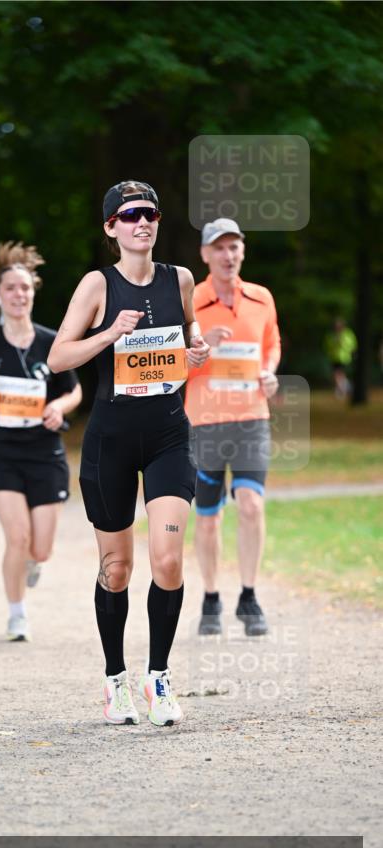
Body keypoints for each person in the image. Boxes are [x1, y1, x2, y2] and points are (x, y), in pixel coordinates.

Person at [48, 180, 210, 727]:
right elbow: (57, 355)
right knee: (116, 568)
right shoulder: (97, 284)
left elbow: (189, 333)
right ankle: (116, 679)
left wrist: (197, 348)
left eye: (151, 214)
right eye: (130, 214)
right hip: (110, 441)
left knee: (167, 561)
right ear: (111, 227)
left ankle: (159, 676)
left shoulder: (180, 279)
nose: (143, 222)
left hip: (168, 435)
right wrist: (109, 333)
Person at [0, 242, 82, 641]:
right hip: (4, 455)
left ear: (33, 293)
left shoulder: (52, 343)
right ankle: (16, 614)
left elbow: (75, 392)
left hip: (46, 454)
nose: (18, 294)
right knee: (17, 537)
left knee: (41, 549)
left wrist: (59, 406)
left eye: (24, 288)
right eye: (10, 288)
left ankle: (34, 562)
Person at [185, 218, 281, 637]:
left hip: (250, 418)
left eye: (234, 247)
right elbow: (170, 359)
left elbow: (271, 343)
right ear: (205, 254)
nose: (228, 255)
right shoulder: (189, 300)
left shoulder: (261, 298)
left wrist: (270, 372)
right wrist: (203, 342)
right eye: (219, 248)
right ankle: (210, 597)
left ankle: (248, 595)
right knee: (207, 518)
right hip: (203, 421)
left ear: (242, 251)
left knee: (251, 505)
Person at [324, 316, 357, 399]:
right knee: (339, 375)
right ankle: (345, 388)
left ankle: (342, 390)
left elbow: (352, 345)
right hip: (334, 357)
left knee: (338, 374)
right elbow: (326, 345)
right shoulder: (331, 335)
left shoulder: (348, 334)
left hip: (345, 358)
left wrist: (342, 342)